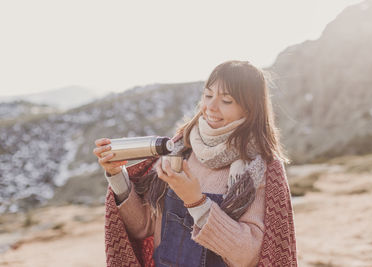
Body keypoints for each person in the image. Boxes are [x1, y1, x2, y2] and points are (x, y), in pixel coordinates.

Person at [93, 60, 297, 267]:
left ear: (250, 108)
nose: (210, 107)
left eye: (226, 100)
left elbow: (248, 256)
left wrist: (195, 201)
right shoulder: (181, 149)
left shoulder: (259, 168)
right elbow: (143, 227)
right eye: (208, 95)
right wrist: (117, 174)